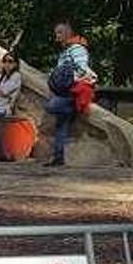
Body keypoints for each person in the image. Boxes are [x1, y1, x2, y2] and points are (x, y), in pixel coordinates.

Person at [44, 21, 94, 167]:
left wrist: (81, 77)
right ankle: (59, 157)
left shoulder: (77, 49)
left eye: (59, 33)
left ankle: (71, 109)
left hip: (71, 92)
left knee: (51, 107)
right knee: (61, 125)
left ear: (67, 33)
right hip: (65, 91)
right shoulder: (67, 49)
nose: (56, 36)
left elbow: (83, 68)